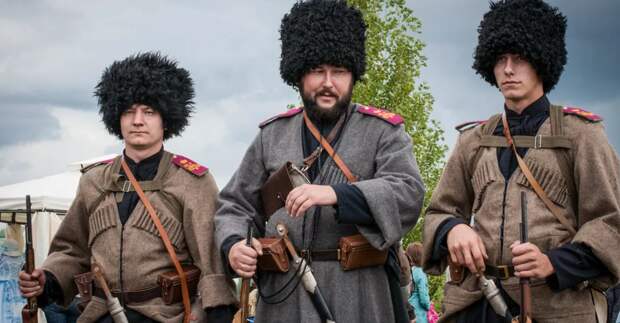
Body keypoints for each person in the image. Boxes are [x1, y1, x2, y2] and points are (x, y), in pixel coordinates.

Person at [214, 1, 425, 322]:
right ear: (298, 74)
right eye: (317, 70)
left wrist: (338, 194)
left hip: (361, 296)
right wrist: (233, 246)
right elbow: (235, 205)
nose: (328, 82)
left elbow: (408, 192)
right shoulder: (272, 135)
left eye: (338, 71)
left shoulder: (382, 131)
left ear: (353, 75)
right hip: (284, 298)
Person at [422, 1, 620, 322]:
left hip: (556, 306)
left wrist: (555, 262)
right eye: (501, 59)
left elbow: (611, 222)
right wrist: (454, 229)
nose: (509, 69)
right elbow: (439, 212)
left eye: (520, 59)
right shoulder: (473, 139)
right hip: (477, 302)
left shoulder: (581, 135)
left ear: (542, 61)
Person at [18, 52, 237, 322]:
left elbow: (212, 262)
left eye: (149, 111)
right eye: (129, 111)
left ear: (165, 119)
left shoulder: (192, 182)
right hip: (98, 314)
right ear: (116, 117)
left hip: (166, 315)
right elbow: (71, 250)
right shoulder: (94, 182)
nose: (137, 120)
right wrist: (47, 279)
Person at [407, 242, 430, 323]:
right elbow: (423, 297)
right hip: (419, 313)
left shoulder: (409, 271)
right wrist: (428, 306)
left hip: (409, 310)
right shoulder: (420, 273)